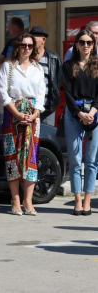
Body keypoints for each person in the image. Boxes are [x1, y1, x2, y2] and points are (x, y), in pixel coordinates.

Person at [0, 33, 45, 216]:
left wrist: (34, 115)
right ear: (17, 46)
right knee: (12, 156)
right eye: (23, 45)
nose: (27, 48)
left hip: (33, 116)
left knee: (31, 156)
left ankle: (28, 200)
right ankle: (15, 200)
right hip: (12, 113)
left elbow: (41, 94)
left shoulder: (38, 69)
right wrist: (17, 113)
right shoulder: (8, 67)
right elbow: (2, 92)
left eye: (30, 45)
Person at [62, 29, 98, 216]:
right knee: (76, 159)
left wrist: (91, 111)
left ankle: (87, 200)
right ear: (76, 44)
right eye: (82, 42)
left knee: (91, 161)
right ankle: (77, 200)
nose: (85, 46)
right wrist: (79, 114)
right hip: (73, 114)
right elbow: (67, 93)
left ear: (93, 45)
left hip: (94, 114)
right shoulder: (68, 66)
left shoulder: (97, 65)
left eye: (89, 42)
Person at [30, 26, 63, 126]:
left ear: (43, 40)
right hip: (28, 108)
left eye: (34, 39)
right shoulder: (26, 58)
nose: (31, 42)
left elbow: (58, 81)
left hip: (47, 108)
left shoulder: (54, 58)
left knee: (46, 138)